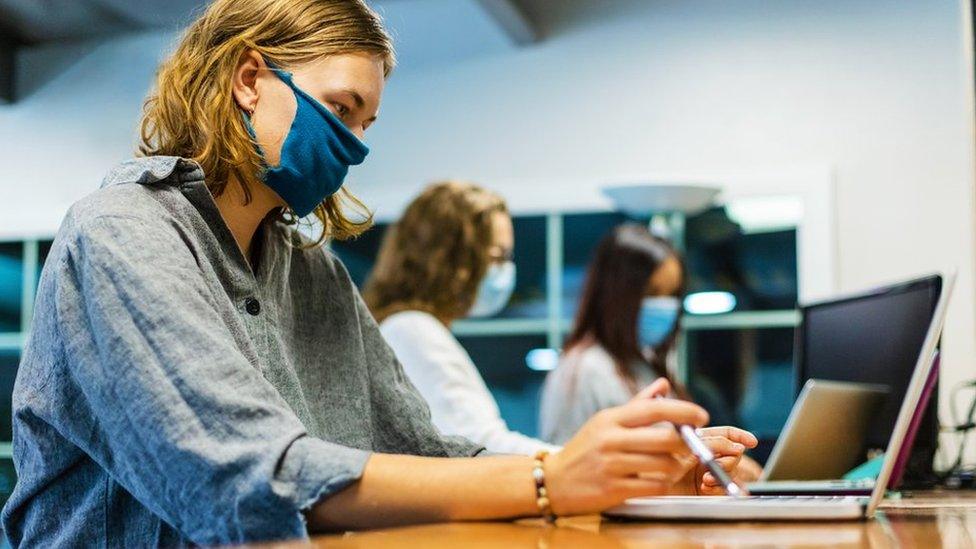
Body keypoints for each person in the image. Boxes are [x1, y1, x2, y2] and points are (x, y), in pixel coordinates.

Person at [0, 1, 757, 546]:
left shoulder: (312, 270)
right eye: (341, 108)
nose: (356, 145)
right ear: (247, 78)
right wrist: (551, 481)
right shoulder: (123, 234)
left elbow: (428, 454)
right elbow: (249, 480)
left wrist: (619, 469)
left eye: (367, 124)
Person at [539, 224, 762, 481]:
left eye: (671, 294)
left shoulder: (642, 365)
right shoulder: (584, 370)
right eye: (652, 293)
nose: (663, 306)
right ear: (616, 294)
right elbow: (572, 473)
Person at [364, 181, 558, 456]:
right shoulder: (412, 330)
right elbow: (477, 447)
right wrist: (572, 461)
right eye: (497, 256)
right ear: (453, 261)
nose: (505, 270)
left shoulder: (414, 328)